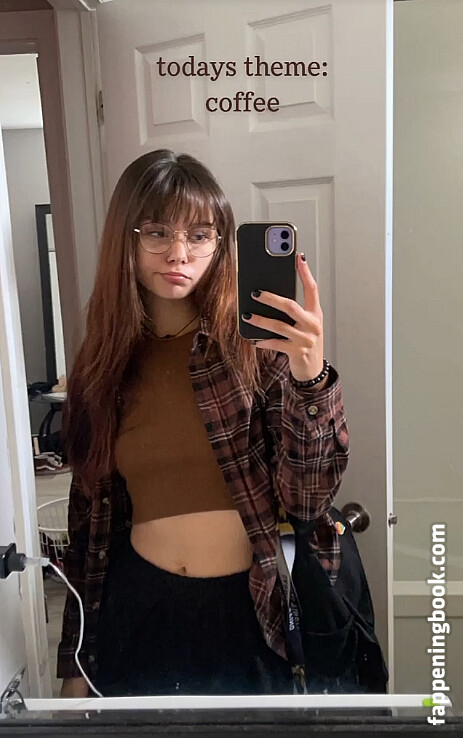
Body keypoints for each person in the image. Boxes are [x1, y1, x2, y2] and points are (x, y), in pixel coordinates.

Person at [57, 149, 350, 698]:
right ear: (126, 238)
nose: (179, 253)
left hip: (248, 611)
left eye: (199, 235)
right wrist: (75, 659)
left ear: (221, 243)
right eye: (157, 232)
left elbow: (308, 499)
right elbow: (87, 523)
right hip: (138, 612)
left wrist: (311, 378)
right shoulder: (102, 366)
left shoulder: (255, 349)